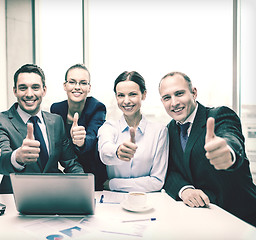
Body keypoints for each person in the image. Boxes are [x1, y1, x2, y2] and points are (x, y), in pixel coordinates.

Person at [159, 71, 256, 226]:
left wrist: (228, 153)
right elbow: (169, 170)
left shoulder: (219, 115)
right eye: (167, 97)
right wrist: (185, 190)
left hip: (241, 217)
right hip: (202, 219)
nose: (174, 102)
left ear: (194, 93)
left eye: (179, 93)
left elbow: (230, 138)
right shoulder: (168, 130)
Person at [0, 63, 84, 194]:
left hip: (54, 196)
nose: (29, 94)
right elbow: (1, 163)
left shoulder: (56, 121)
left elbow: (70, 163)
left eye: (35, 87)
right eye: (23, 88)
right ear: (14, 91)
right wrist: (18, 157)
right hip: (16, 198)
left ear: (44, 90)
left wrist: (84, 187)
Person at [98, 71, 169, 192]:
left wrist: (112, 184)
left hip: (149, 201)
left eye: (132, 94)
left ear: (144, 95)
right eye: (121, 95)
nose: (126, 101)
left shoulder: (159, 132)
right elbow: (105, 153)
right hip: (114, 202)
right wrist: (117, 152)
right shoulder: (108, 127)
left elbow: (157, 181)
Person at [50, 64, 107, 190]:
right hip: (68, 172)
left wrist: (82, 141)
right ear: (65, 86)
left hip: (93, 174)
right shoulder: (56, 108)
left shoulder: (97, 107)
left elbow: (92, 136)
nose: (77, 87)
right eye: (72, 82)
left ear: (89, 87)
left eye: (83, 83)